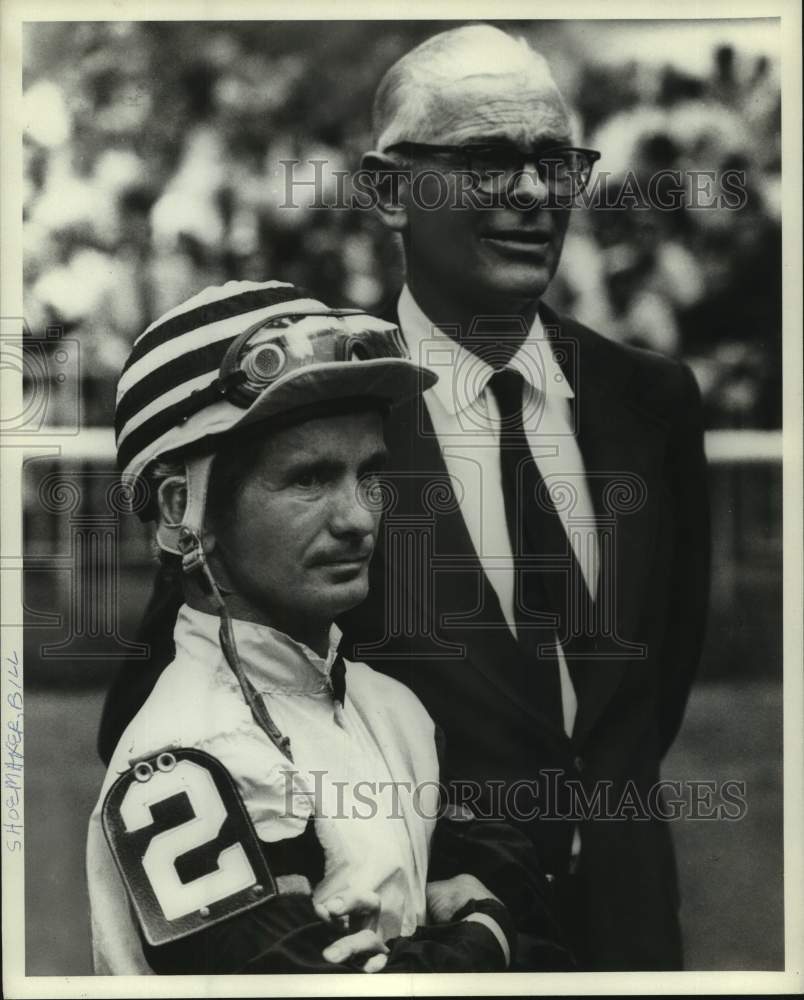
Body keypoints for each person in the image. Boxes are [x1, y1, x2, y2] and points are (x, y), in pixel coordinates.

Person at [98, 25, 711, 971]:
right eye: (487, 160)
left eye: (556, 161)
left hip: (630, 923)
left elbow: (646, 689)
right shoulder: (313, 412)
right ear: (389, 190)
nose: (534, 193)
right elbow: (197, 663)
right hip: (414, 931)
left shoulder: (654, 400)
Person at [87, 279, 573, 975]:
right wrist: (485, 932)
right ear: (178, 509)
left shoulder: (395, 708)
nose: (359, 518)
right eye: (308, 479)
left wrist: (459, 940)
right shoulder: (175, 764)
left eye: (367, 474)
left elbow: (544, 937)